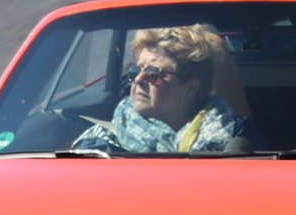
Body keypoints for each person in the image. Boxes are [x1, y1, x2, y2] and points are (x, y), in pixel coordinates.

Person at [72, 24, 246, 153]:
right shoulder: (98, 147)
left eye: (153, 73)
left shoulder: (237, 135)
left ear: (190, 88)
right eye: (135, 70)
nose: (138, 79)